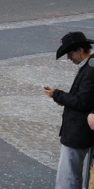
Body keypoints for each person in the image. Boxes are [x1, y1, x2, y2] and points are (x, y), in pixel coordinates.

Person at [45, 32, 94, 189]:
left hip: (78, 132)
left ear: (80, 50)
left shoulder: (90, 69)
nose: (69, 57)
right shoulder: (89, 66)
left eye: (70, 53)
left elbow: (82, 102)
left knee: (68, 176)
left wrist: (57, 94)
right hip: (80, 130)